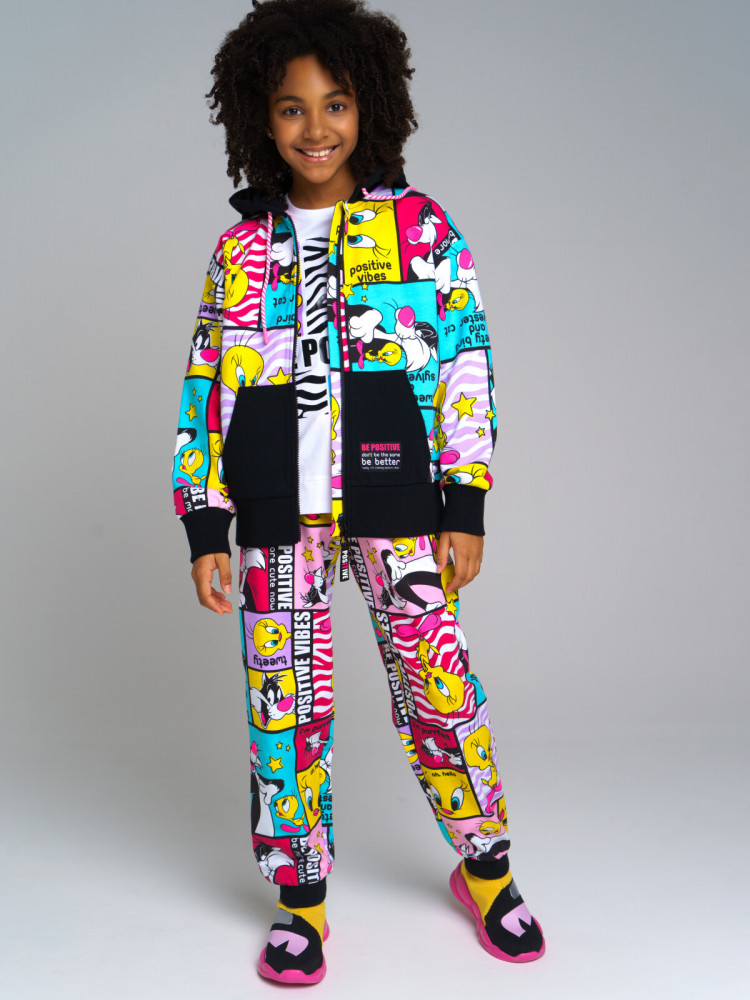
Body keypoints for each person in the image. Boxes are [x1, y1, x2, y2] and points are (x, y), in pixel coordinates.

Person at [172, 0, 545, 984]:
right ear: (260, 118)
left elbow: (464, 363)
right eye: (291, 107)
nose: (316, 128)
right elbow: (206, 386)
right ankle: (301, 899)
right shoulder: (239, 250)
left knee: (438, 687)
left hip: (397, 500)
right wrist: (205, 520)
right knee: (284, 709)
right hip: (275, 511)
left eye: (335, 103)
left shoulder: (421, 231)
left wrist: (464, 500)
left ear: (370, 105)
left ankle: (487, 868)